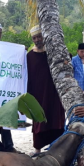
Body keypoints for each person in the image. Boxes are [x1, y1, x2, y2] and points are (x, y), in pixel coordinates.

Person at [26, 25, 65, 157]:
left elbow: (67, 58)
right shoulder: (29, 56)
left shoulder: (53, 53)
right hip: (38, 93)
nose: (37, 39)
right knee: (38, 120)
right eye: (34, 37)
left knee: (56, 118)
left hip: (54, 92)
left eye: (39, 36)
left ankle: (56, 147)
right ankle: (37, 149)